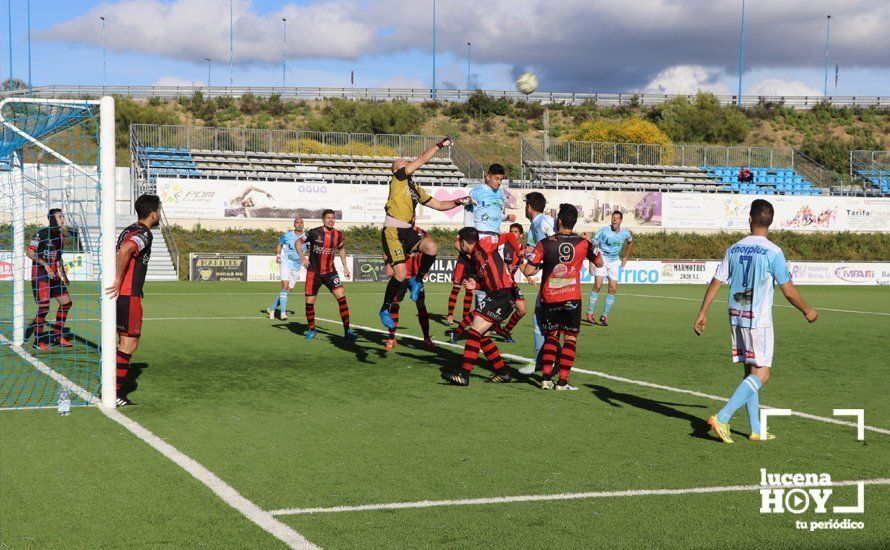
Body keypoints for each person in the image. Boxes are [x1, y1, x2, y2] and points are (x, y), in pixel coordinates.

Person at [694, 199, 819, 444]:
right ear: (770, 222)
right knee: (762, 374)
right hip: (758, 320)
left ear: (750, 219)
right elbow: (789, 291)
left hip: (735, 316)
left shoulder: (734, 248)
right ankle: (723, 416)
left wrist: (702, 312)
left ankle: (756, 429)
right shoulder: (773, 252)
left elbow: (717, 281)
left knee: (750, 371)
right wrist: (807, 310)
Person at [379, 137, 472, 329]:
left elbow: (439, 205)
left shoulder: (414, 188)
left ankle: (417, 280)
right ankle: (385, 308)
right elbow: (421, 159)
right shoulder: (398, 179)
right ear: (396, 170)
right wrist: (439, 145)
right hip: (393, 232)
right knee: (400, 273)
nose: (404, 162)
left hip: (408, 231)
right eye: (401, 162)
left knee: (431, 247)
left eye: (405, 161)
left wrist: (459, 201)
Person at [523, 204, 603, 390]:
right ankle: (562, 382)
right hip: (572, 297)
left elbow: (528, 269)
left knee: (552, 335)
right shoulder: (583, 243)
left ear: (559, 221)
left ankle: (545, 379)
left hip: (550, 296)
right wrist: (591, 243)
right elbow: (599, 263)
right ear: (574, 222)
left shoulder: (545, 243)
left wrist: (543, 266)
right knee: (570, 338)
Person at [441, 227, 522, 386]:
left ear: (464, 242)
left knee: (474, 331)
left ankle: (464, 375)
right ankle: (502, 372)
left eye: (460, 242)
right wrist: (475, 285)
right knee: (482, 335)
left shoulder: (484, 244)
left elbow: (509, 236)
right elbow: (487, 283)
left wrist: (518, 253)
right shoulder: (476, 260)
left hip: (503, 294)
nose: (459, 245)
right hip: (497, 295)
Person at [105, 194, 161, 406]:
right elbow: (127, 249)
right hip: (128, 294)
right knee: (129, 344)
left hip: (122, 295)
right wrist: (119, 279)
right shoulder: (144, 233)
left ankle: (111, 387)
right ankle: (114, 393)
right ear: (153, 213)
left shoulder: (129, 228)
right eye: (159, 211)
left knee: (122, 343)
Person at [298, 210, 357, 341]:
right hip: (314, 273)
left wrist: (345, 267)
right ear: (323, 219)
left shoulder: (338, 234)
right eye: (328, 218)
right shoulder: (314, 232)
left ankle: (347, 330)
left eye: (333, 218)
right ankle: (312, 330)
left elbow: (341, 248)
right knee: (309, 302)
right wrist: (302, 257)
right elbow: (298, 242)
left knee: (342, 297)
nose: (331, 220)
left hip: (330, 272)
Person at [26, 208, 73, 350]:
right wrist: (45, 264)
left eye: (63, 216)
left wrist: (63, 275)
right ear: (52, 219)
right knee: (44, 307)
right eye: (60, 217)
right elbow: (29, 252)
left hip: (54, 276)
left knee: (66, 303)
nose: (63, 219)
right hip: (40, 274)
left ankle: (58, 336)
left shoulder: (61, 237)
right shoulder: (41, 234)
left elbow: (58, 258)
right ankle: (38, 341)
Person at [520, 191, 555, 375]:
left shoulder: (544, 222)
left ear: (529, 207)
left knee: (549, 322)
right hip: (547, 278)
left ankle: (544, 362)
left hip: (556, 279)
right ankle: (541, 360)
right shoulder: (534, 226)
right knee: (538, 318)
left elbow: (556, 242)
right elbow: (534, 253)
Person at [586, 210, 634, 326]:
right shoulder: (604, 231)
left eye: (617, 218)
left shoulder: (625, 233)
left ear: (621, 221)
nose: (614, 220)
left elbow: (630, 242)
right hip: (602, 259)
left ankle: (604, 316)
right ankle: (590, 313)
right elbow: (592, 244)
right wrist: (592, 261)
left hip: (614, 262)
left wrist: (625, 257)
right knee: (597, 286)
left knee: (612, 289)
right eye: (613, 218)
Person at [384, 251, 434, 351]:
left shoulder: (423, 235)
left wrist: (425, 269)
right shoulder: (394, 235)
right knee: (394, 305)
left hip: (416, 276)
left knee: (421, 305)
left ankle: (426, 338)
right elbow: (386, 249)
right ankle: (391, 338)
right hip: (400, 275)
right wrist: (388, 264)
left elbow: (428, 252)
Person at [492, 223, 527, 343]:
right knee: (496, 310)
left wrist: (529, 276)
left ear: (521, 234)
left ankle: (504, 330)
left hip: (511, 282)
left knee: (522, 310)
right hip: (501, 282)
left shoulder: (522, 248)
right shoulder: (504, 246)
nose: (513, 233)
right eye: (511, 231)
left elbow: (521, 265)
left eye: (516, 231)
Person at [267, 217, 305, 321]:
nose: (299, 224)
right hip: (285, 262)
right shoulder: (287, 235)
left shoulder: (307, 237)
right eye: (297, 222)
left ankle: (272, 308)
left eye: (301, 222)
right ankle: (283, 313)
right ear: (294, 224)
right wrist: (278, 255)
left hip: (296, 265)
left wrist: (307, 260)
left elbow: (309, 250)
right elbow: (280, 244)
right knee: (285, 285)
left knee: (288, 290)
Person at [445, 249, 477, 326]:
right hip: (462, 263)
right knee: (455, 289)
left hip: (474, 264)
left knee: (469, 291)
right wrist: (465, 253)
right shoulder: (463, 237)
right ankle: (450, 316)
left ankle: (465, 318)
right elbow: (457, 244)